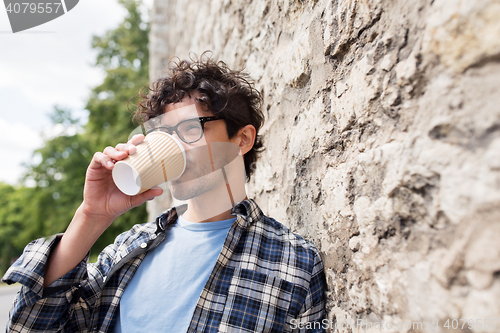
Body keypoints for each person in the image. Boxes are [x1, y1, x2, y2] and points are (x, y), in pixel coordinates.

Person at [2, 54, 326, 332]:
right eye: (161, 133)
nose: (172, 147)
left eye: (189, 129)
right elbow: (31, 325)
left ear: (241, 139)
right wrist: (92, 215)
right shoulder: (129, 249)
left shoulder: (293, 263)